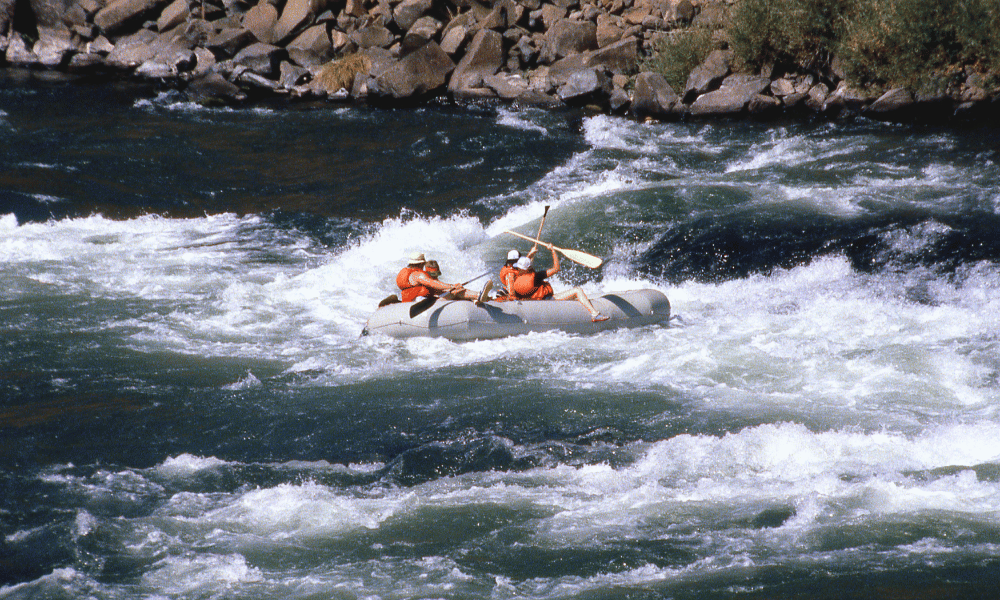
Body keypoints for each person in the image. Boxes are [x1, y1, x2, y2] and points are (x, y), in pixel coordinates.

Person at [510, 245, 610, 322]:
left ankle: (589, 308)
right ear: (529, 268)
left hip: (534, 302)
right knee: (577, 290)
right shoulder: (536, 276)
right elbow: (556, 268)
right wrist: (553, 251)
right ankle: (594, 314)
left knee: (575, 297)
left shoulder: (517, 276)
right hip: (548, 301)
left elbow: (526, 265)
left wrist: (530, 254)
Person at [395, 252, 475, 302]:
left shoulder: (410, 273)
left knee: (454, 292)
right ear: (421, 263)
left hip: (414, 300)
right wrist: (452, 286)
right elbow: (433, 283)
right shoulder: (417, 275)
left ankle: (476, 297)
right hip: (421, 301)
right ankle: (477, 296)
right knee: (455, 292)